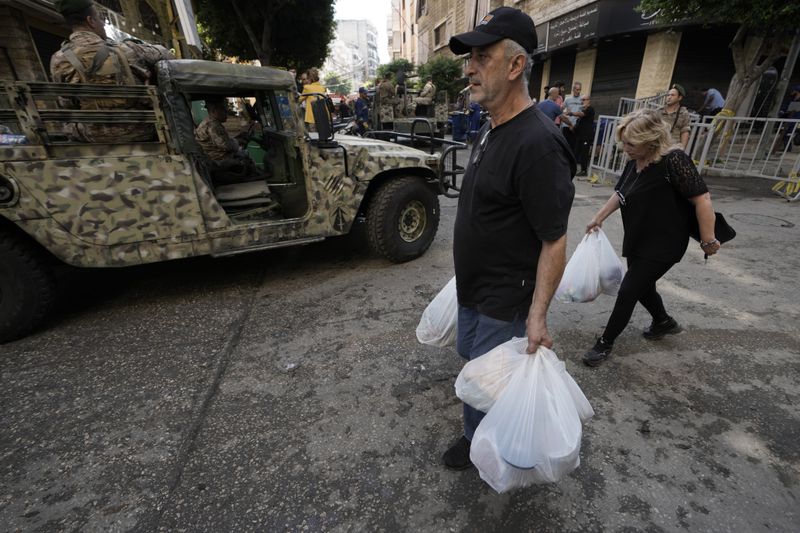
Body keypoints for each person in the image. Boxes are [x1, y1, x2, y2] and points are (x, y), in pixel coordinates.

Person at [443, 6, 576, 470]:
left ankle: (490, 449)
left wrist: (537, 315)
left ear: (516, 65)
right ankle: (476, 434)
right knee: (475, 367)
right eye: (469, 58)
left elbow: (555, 240)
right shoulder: (490, 125)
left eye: (482, 56)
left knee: (490, 379)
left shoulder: (538, 144)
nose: (469, 68)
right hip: (473, 287)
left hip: (505, 298)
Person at [581, 108, 721, 367]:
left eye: (631, 144)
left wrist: (708, 240)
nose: (625, 149)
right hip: (639, 236)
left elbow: (702, 198)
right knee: (644, 286)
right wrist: (598, 217)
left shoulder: (673, 160)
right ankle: (663, 322)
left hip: (666, 240)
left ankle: (605, 342)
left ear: (651, 140)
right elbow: (620, 194)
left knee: (629, 289)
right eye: (623, 142)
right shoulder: (634, 161)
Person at [49, 0, 173, 143]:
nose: (103, 23)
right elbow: (167, 55)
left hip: (91, 136)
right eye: (101, 18)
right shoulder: (126, 49)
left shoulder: (57, 60)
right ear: (91, 21)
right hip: (141, 130)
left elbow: (67, 104)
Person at [659, 84, 690, 150]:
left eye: (672, 95)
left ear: (679, 97)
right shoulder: (658, 111)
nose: (669, 97)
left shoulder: (683, 113)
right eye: (668, 95)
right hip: (657, 146)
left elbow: (685, 131)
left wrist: (682, 148)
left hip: (672, 148)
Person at [573, 94, 596, 176]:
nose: (582, 101)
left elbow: (581, 114)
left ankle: (584, 170)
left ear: (588, 100)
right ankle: (573, 168)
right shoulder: (583, 109)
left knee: (584, 153)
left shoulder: (590, 109)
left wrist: (571, 113)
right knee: (576, 151)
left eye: (583, 99)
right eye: (581, 100)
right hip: (580, 135)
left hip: (587, 135)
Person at [562, 81, 583, 151]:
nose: (578, 91)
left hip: (576, 126)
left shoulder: (582, 99)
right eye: (577, 89)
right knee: (564, 144)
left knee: (573, 145)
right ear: (573, 89)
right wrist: (564, 115)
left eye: (580, 89)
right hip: (567, 125)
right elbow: (561, 109)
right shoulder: (567, 99)